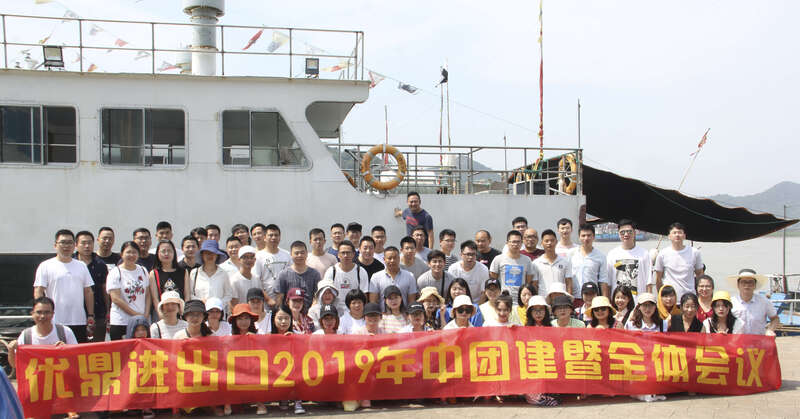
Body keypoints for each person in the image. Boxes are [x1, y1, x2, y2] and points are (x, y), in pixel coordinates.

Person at [33, 229, 94, 343]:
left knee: (77, 351)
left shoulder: (81, 266)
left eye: (70, 243)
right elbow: (39, 290)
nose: (66, 246)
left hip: (78, 320)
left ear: (74, 245)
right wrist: (41, 313)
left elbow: (88, 291)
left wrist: (90, 314)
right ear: (55, 245)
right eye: (63, 242)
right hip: (55, 320)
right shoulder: (45, 266)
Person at [7, 296, 78, 376]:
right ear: (32, 314)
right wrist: (11, 350)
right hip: (36, 382)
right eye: (39, 312)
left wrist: (66, 350)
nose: (43, 316)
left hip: (61, 381)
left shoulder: (65, 332)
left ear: (53, 314)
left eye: (47, 312)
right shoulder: (26, 335)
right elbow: (15, 365)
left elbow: (77, 359)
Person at [226, 303, 267, 415]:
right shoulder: (229, 336)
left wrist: (255, 339)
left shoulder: (259, 332)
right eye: (240, 319)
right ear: (235, 321)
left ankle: (260, 403)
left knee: (258, 373)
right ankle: (227, 402)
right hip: (235, 369)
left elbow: (266, 350)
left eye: (246, 318)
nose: (243, 322)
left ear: (251, 320)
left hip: (255, 367)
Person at [106, 241, 150, 340]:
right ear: (122, 254)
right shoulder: (115, 272)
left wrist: (146, 314)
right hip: (121, 321)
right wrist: (136, 315)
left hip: (141, 322)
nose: (131, 255)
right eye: (128, 252)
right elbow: (116, 299)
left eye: (134, 252)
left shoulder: (143, 270)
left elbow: (148, 295)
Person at [522, 294, 559, 407]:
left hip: (548, 363)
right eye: (535, 310)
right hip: (532, 364)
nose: (538, 313)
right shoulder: (524, 329)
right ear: (530, 313)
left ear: (546, 312)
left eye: (541, 310)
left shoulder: (552, 328)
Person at [270, 304, 306, 415]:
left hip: (295, 369)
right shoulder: (268, 337)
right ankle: (283, 397)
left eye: (286, 318)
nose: (283, 322)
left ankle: (297, 400)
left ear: (291, 319)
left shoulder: (298, 334)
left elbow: (306, 349)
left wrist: (295, 339)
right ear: (273, 319)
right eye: (280, 318)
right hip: (276, 370)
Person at [654, 222, 704, 299]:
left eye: (680, 232)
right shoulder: (663, 253)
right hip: (669, 299)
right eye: (674, 233)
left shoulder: (694, 252)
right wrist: (661, 297)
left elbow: (700, 275)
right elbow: (658, 279)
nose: (677, 235)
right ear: (669, 236)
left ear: (684, 236)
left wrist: (699, 296)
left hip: (689, 298)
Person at [75, 230, 108, 342]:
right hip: (75, 314)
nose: (87, 246)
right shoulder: (71, 263)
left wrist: (108, 310)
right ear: (76, 245)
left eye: (89, 243)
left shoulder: (100, 265)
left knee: (96, 346)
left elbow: (104, 289)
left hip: (98, 313)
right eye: (83, 243)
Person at [606, 219, 654, 295]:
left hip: (639, 300)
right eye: (622, 232)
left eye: (629, 231)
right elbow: (608, 283)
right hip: (618, 300)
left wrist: (649, 299)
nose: (626, 234)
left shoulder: (644, 254)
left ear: (634, 233)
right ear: (618, 234)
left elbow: (649, 282)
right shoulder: (612, 255)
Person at [490, 230, 535, 305]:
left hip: (521, 301)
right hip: (504, 301)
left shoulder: (527, 260)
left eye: (518, 242)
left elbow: (528, 281)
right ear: (507, 243)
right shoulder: (498, 259)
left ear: (522, 243)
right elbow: (493, 278)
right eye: (513, 242)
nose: (516, 244)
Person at [728, 269, 778, 335]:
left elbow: (775, 319)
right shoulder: (730, 302)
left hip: (758, 339)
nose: (747, 285)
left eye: (750, 282)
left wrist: (770, 330)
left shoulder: (765, 302)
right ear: (738, 285)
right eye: (743, 282)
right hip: (736, 339)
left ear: (755, 285)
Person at [323, 240, 368, 313]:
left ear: (353, 254)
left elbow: (364, 296)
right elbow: (325, 294)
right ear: (338, 254)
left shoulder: (361, 272)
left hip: (355, 311)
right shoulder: (331, 271)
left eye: (348, 253)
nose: (346, 255)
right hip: (335, 311)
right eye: (343, 253)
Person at [189, 240, 234, 312]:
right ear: (202, 255)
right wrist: (201, 302)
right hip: (200, 312)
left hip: (218, 313)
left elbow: (228, 295)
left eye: (213, 253)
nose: (210, 255)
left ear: (217, 255)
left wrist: (217, 304)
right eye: (207, 253)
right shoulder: (194, 273)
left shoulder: (223, 273)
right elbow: (190, 294)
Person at [277, 241, 321, 309]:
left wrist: (311, 311)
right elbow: (280, 297)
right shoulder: (283, 274)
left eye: (302, 253)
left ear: (307, 254)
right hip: (289, 313)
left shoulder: (315, 274)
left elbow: (317, 297)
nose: (300, 255)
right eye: (296, 253)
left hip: (310, 312)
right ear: (291, 254)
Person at [254, 224, 291, 303]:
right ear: (264, 237)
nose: (273, 238)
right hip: (265, 301)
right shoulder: (258, 256)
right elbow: (256, 280)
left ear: (280, 237)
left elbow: (291, 277)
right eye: (270, 235)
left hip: (285, 300)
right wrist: (268, 299)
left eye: (276, 235)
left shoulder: (287, 255)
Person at [569, 224, 609, 297]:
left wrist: (604, 299)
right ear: (579, 237)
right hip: (575, 297)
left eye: (589, 235)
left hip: (592, 297)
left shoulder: (601, 256)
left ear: (593, 237)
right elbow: (567, 277)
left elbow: (603, 280)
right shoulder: (571, 254)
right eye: (583, 235)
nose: (586, 238)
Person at [149, 240, 190, 310]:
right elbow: (155, 298)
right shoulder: (154, 273)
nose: (166, 253)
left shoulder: (183, 272)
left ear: (174, 253)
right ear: (157, 253)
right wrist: (160, 313)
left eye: (169, 251)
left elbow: (187, 296)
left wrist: (184, 312)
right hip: (162, 311)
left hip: (181, 311)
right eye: (163, 251)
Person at [531, 229, 572, 298]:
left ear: (556, 242)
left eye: (552, 240)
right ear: (542, 243)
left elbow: (569, 283)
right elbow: (535, 284)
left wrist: (568, 299)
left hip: (560, 298)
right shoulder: (536, 263)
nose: (549, 243)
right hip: (543, 299)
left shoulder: (565, 262)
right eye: (546, 241)